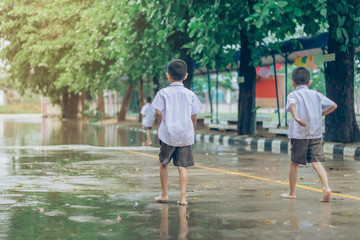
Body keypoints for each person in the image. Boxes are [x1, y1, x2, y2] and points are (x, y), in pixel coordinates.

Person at [281, 67, 337, 202]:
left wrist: (296, 118)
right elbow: (334, 105)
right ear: (310, 82)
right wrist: (321, 114)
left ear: (293, 83)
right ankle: (326, 188)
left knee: (294, 163)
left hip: (299, 134)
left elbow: (293, 105)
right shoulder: (316, 94)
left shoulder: (292, 95)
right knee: (316, 162)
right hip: (315, 132)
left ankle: (292, 192)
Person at [151, 59, 203, 206]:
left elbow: (158, 112)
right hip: (184, 135)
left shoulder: (163, 93)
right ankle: (183, 198)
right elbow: (194, 115)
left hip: (168, 134)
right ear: (185, 76)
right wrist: (192, 129)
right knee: (182, 166)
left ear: (168, 75)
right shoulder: (190, 94)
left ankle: (164, 194)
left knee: (163, 163)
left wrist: (162, 123)